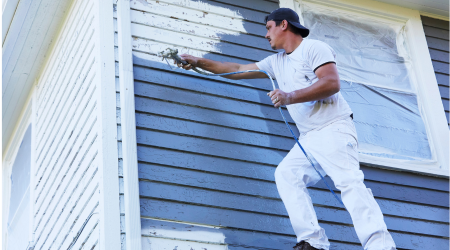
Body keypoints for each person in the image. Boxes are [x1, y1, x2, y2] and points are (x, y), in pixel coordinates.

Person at [174, 7, 396, 250]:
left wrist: (289, 96)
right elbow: (236, 69)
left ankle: (380, 245)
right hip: (309, 138)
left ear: (284, 25)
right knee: (286, 174)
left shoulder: (313, 48)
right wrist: (199, 62)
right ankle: (312, 242)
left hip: (334, 128)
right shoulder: (275, 62)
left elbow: (331, 83)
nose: (266, 35)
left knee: (349, 182)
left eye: (269, 28)